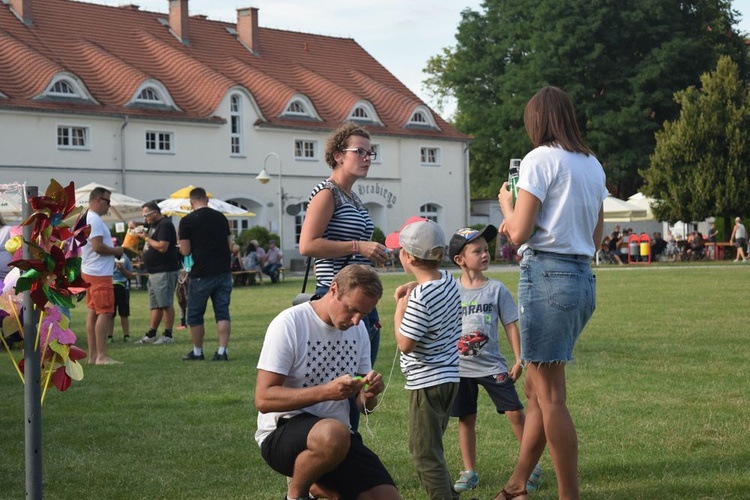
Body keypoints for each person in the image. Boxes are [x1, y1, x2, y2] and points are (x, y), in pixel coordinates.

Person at [497, 86, 606, 500]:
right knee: (536, 391)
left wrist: (507, 205)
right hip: (581, 279)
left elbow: (520, 233)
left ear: (537, 121)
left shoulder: (539, 159)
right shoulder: (592, 164)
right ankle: (516, 485)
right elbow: (596, 238)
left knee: (552, 397)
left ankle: (568, 495)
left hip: (547, 277)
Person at [254, 265, 400, 500]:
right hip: (282, 433)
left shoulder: (360, 329)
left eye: (364, 313)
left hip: (339, 439)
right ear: (333, 290)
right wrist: (325, 392)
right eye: (352, 310)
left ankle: (321, 487)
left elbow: (364, 408)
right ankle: (297, 495)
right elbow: (263, 399)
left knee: (387, 496)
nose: (356, 320)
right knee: (334, 433)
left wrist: (371, 393)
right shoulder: (290, 323)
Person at [298, 121, 388, 431]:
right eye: (359, 151)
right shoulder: (327, 194)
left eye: (369, 152)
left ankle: (349, 442)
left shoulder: (353, 198)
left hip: (359, 296)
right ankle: (333, 441)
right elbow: (307, 244)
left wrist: (373, 253)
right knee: (340, 377)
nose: (366, 157)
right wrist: (358, 245)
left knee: (361, 377)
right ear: (338, 155)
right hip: (336, 296)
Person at [446, 225, 542, 494]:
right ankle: (469, 471)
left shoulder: (496, 289)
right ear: (460, 260)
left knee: (514, 412)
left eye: (486, 250)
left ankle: (531, 466)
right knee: (465, 418)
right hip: (461, 368)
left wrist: (519, 359)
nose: (485, 254)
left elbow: (511, 324)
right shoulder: (451, 289)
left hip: (492, 366)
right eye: (477, 251)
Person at [385, 217, 462, 500]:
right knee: (434, 448)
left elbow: (405, 344)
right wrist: (412, 286)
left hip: (426, 384)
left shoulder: (419, 299)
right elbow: (430, 286)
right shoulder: (449, 281)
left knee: (423, 455)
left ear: (407, 257)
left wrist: (399, 311)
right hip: (449, 378)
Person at [178, 187, 233, 361]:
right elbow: (229, 245)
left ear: (191, 202)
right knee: (222, 312)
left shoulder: (186, 221)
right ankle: (222, 351)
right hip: (223, 271)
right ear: (207, 199)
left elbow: (185, 251)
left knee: (195, 314)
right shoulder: (221, 217)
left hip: (201, 273)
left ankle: (197, 351)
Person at [81, 187, 125, 365]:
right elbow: (98, 247)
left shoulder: (86, 218)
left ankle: (92, 356)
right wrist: (116, 251)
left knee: (93, 313)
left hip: (90, 271)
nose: (109, 206)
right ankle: (101, 356)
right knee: (105, 313)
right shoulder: (95, 220)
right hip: (99, 274)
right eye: (108, 202)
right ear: (98, 200)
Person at [131, 202, 181, 345]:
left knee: (165, 303)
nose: (145, 218)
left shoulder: (165, 225)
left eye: (146, 215)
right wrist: (134, 225)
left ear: (154, 212)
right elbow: (143, 227)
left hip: (164, 270)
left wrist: (145, 238)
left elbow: (162, 247)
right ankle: (151, 334)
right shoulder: (153, 225)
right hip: (154, 271)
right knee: (155, 305)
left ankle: (168, 334)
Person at [109, 249, 134, 343]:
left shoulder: (125, 259)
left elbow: (130, 275)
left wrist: (122, 269)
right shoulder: (108, 257)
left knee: (124, 313)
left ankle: (126, 335)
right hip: (110, 286)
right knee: (110, 313)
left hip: (123, 287)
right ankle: (109, 336)